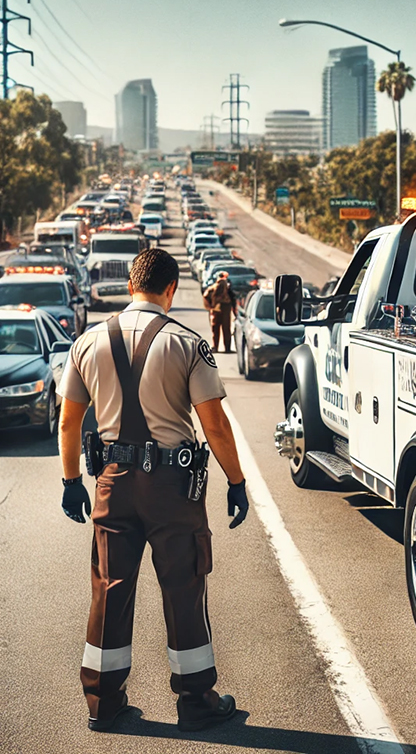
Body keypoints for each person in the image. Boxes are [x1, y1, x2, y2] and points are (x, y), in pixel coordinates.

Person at [57, 247, 250, 733]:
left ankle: (103, 702)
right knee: (183, 588)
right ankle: (197, 702)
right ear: (170, 289)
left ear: (130, 287)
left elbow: (68, 422)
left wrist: (70, 482)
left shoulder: (87, 342)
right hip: (173, 488)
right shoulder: (187, 344)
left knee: (109, 588)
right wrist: (237, 481)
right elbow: (216, 425)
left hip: (111, 484)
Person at [202, 271, 235, 354]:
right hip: (225, 308)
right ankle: (227, 348)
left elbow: (205, 296)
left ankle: (215, 347)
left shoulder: (213, 287)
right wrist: (234, 309)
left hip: (215, 310)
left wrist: (210, 307)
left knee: (215, 329)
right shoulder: (227, 287)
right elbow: (233, 299)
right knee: (226, 328)